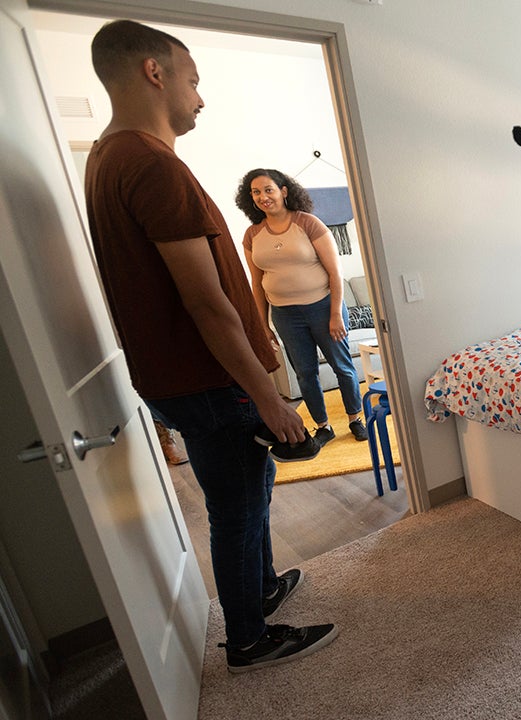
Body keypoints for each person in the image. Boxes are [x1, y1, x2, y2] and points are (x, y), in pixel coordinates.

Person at [84, 19, 338, 672]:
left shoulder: (108, 158)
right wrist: (268, 396)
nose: (200, 98)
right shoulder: (149, 163)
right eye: (193, 81)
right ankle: (249, 637)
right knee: (236, 507)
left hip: (182, 378)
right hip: (208, 380)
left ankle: (260, 588)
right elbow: (204, 301)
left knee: (253, 486)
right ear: (153, 72)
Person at [234, 168, 368, 446]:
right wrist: (263, 324)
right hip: (285, 315)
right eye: (256, 193)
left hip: (323, 307)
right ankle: (323, 426)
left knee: (342, 367)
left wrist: (335, 315)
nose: (263, 197)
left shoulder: (308, 223)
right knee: (305, 373)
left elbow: (334, 272)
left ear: (284, 191)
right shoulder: (252, 234)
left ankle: (356, 419)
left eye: (268, 190)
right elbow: (256, 283)